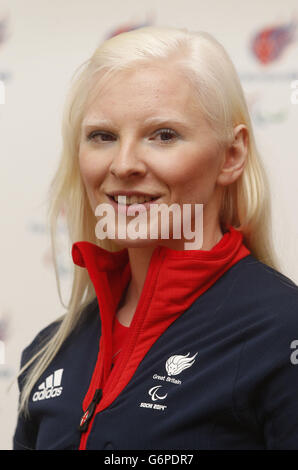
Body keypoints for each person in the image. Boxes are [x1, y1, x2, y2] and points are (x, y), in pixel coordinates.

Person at [13, 25, 298, 450]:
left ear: (231, 155)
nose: (124, 164)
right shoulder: (50, 351)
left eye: (163, 135)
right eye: (103, 136)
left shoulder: (280, 330)